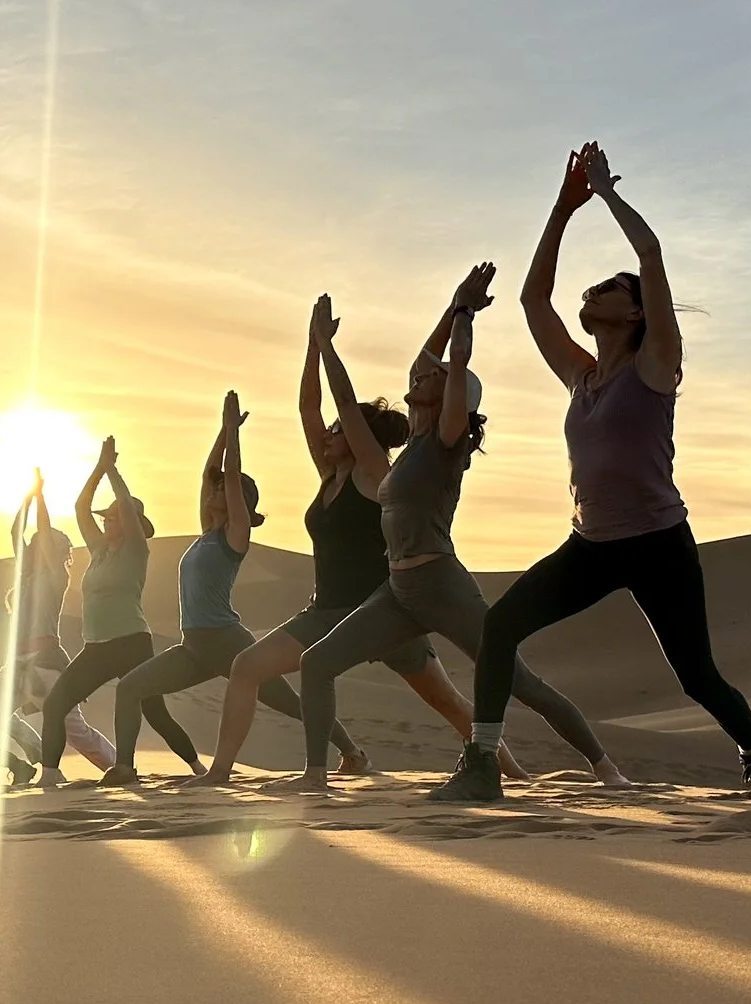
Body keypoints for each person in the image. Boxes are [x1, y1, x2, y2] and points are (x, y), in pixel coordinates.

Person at [432, 145, 751, 802]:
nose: (593, 289)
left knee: (696, 675)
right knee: (501, 624)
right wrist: (564, 208)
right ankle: (481, 762)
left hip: (660, 544)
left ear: (634, 313)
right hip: (591, 545)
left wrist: (605, 192)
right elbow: (531, 297)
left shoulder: (656, 363)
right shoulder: (581, 375)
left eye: (610, 287)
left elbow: (651, 259)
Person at [296, 266, 626, 792]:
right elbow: (418, 366)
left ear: (454, 397)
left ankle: (605, 768)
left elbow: (450, 366)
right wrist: (450, 307)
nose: (419, 376)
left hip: (443, 587)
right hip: (398, 591)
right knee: (317, 664)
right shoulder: (403, 453)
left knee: (521, 684)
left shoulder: (448, 442)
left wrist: (464, 319)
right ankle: (314, 776)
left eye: (432, 377)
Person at [201, 296, 530, 784]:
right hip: (327, 612)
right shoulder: (329, 475)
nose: (328, 435)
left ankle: (517, 774)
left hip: (385, 612)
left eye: (338, 431)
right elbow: (308, 407)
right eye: (331, 431)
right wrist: (313, 347)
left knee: (448, 704)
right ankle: (220, 772)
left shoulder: (375, 473)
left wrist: (330, 350)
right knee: (247, 667)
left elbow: (336, 407)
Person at [103, 391, 368, 787]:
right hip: (194, 647)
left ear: (237, 502)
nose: (213, 492)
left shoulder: (234, 535)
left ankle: (352, 753)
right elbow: (209, 473)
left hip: (229, 644)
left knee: (291, 704)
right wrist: (223, 434)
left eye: (224, 490)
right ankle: (124, 768)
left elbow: (227, 477)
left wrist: (233, 435)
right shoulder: (207, 533)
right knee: (131, 688)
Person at [34, 437, 203, 784]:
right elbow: (81, 507)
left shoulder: (136, 551)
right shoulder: (98, 551)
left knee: (155, 711)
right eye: (107, 517)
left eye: (114, 518)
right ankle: (49, 776)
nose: (109, 521)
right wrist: (99, 467)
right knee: (55, 705)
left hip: (131, 644)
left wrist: (113, 469)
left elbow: (126, 506)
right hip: (95, 648)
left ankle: (193, 768)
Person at [0, 471, 116, 788]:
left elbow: (40, 533)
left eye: (41, 545)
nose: (32, 547)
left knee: (76, 732)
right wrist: (27, 499)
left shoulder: (56, 577)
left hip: (47, 666)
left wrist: (41, 499)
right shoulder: (27, 576)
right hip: (17, 666)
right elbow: (18, 531)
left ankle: (121, 768)